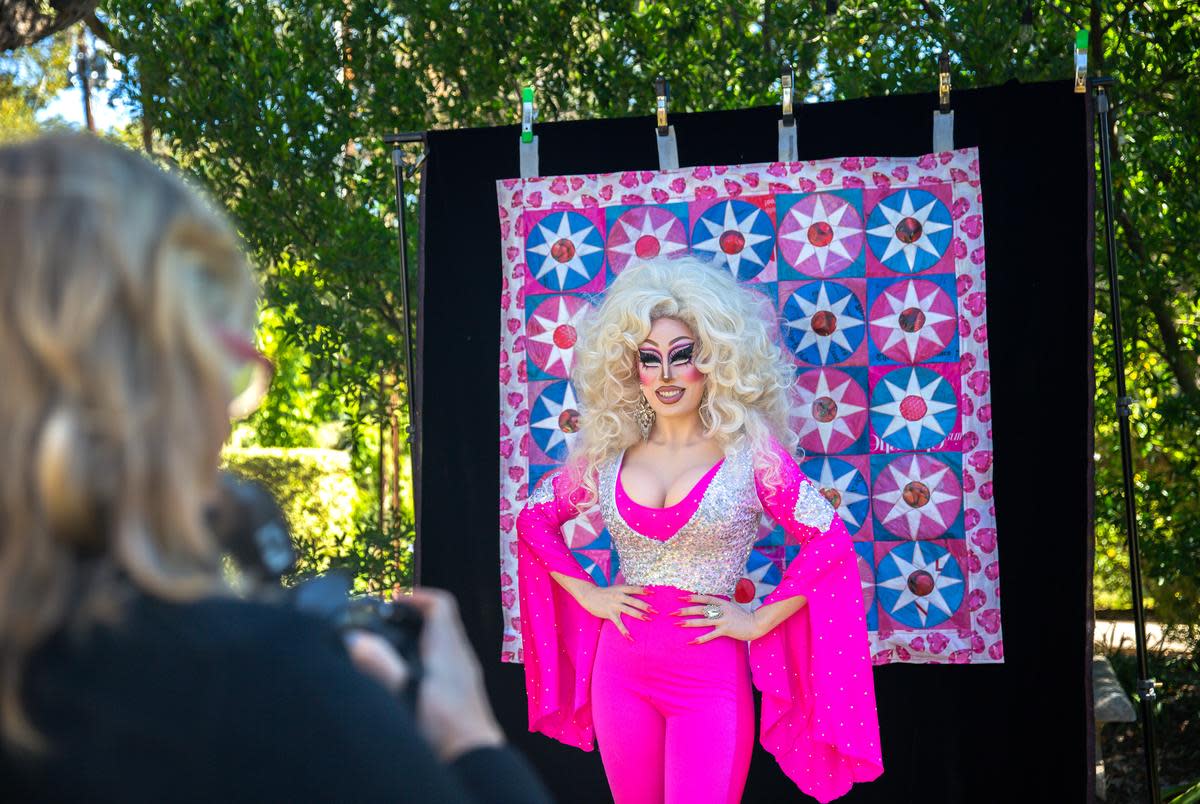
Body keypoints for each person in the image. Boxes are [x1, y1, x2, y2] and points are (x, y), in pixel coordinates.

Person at [0, 134, 551, 804]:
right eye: (229, 372)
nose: (229, 421)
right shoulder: (253, 688)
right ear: (160, 381)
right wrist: (467, 738)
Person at [516, 256, 884, 803]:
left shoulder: (752, 455)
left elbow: (830, 542)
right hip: (619, 676)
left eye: (681, 356)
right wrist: (590, 594)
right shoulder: (605, 455)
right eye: (650, 358)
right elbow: (533, 521)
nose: (665, 375)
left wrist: (758, 619)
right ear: (630, 368)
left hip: (709, 680)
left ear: (712, 360)